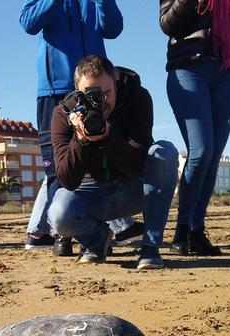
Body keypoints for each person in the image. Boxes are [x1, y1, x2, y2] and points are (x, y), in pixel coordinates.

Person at [47, 55, 179, 270]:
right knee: (59, 215)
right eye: (91, 95)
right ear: (77, 90)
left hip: (132, 190)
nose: (101, 103)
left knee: (164, 152)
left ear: (116, 84)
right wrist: (80, 140)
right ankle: (97, 240)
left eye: (107, 93)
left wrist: (108, 138)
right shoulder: (62, 114)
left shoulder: (137, 98)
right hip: (91, 195)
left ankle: (150, 248)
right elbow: (66, 180)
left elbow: (137, 166)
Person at [20, 0, 123, 256]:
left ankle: (92, 229)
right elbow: (28, 23)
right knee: (57, 164)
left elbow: (113, 28)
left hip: (93, 87)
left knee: (97, 152)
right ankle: (60, 234)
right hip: (55, 89)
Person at [161, 0, 230, 257]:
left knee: (214, 155)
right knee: (201, 150)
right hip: (189, 68)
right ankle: (182, 232)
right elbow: (167, 23)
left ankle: (197, 230)